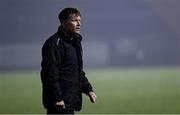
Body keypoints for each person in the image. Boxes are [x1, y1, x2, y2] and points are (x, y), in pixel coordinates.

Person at [40, 8, 97, 114]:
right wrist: (57, 97)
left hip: (69, 101)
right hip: (59, 103)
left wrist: (88, 89)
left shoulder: (74, 42)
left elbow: (77, 70)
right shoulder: (54, 43)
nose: (79, 23)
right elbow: (50, 74)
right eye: (74, 20)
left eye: (80, 20)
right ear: (63, 22)